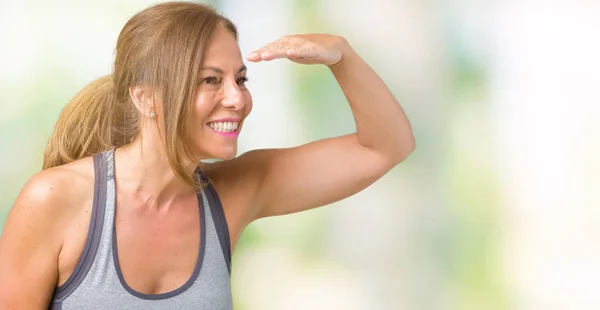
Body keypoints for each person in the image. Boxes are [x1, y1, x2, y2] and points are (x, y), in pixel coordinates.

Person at [0, 2, 415, 309]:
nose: (237, 98)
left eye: (240, 79)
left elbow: (385, 146)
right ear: (146, 97)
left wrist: (342, 55)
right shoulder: (56, 198)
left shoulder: (236, 191)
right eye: (210, 80)